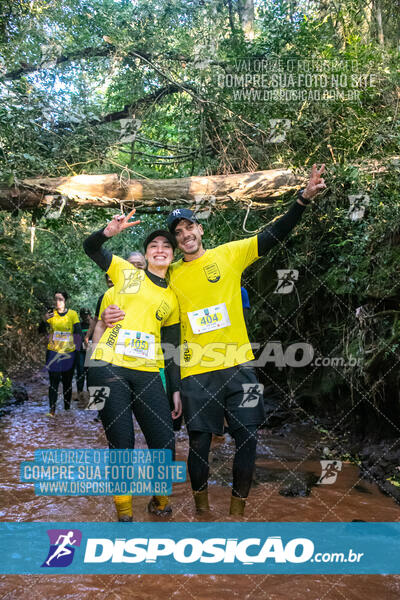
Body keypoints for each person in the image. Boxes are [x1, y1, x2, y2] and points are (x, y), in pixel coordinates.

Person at [102, 165, 326, 516]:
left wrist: (303, 199)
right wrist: (110, 315)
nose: (185, 234)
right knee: (199, 444)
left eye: (189, 226)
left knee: (249, 438)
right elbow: (140, 298)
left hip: (238, 366)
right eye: (178, 232)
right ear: (175, 243)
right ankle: (203, 511)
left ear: (200, 229)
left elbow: (274, 234)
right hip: (195, 373)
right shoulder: (168, 273)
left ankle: (237, 513)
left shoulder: (229, 255)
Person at [83, 218, 182, 522]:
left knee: (164, 441)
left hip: (148, 372)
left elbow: (172, 346)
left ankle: (161, 504)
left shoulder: (172, 298)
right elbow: (90, 247)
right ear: (147, 254)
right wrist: (106, 232)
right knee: (121, 442)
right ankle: (125, 515)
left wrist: (174, 388)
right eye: (154, 245)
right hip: (109, 367)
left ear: (173, 255)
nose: (160, 249)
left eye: (166, 245)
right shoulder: (127, 274)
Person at [43, 291, 82, 417]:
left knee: (67, 382)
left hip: (69, 353)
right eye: (55, 299)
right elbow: (41, 330)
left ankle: (66, 408)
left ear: (65, 300)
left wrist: (77, 352)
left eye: (60, 299)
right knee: (53, 381)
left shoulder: (73, 314)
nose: (57, 302)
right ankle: (52, 410)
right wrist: (44, 320)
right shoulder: (50, 315)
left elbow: (78, 333)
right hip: (53, 352)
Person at [75, 308, 92, 402]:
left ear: (90, 314)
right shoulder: (79, 326)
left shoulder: (94, 325)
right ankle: (80, 393)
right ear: (81, 316)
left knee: (90, 374)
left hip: (91, 353)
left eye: (87, 314)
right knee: (80, 372)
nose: (86, 316)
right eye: (84, 315)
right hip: (81, 352)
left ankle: (90, 394)